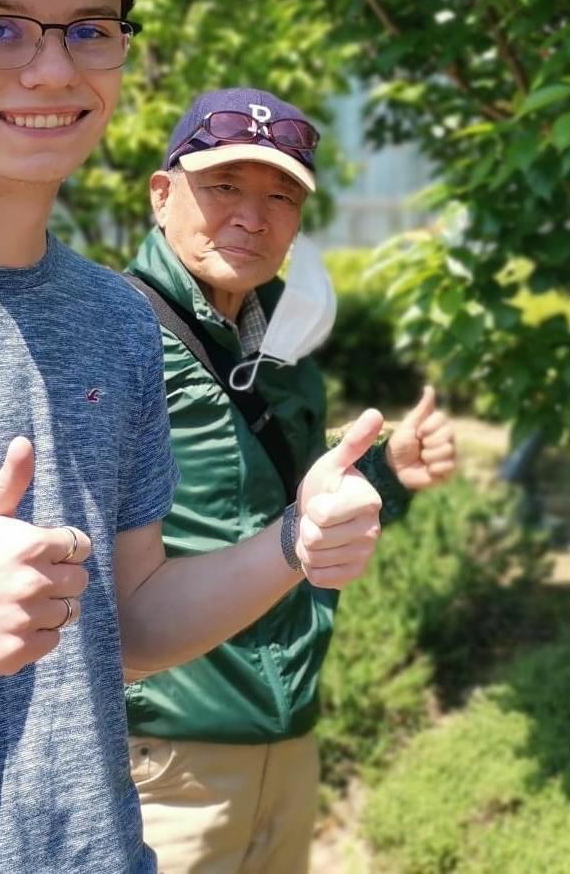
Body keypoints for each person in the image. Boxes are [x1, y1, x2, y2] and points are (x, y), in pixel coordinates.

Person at [0, 0, 389, 873]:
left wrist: (293, 539)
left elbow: (133, 626)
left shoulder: (115, 318)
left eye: (89, 31)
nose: (50, 67)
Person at [123, 86, 457, 874]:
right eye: (225, 186)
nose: (253, 215)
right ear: (163, 194)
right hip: (166, 757)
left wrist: (390, 471)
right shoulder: (116, 334)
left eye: (281, 196)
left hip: (290, 735)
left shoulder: (282, 340)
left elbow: (284, 509)